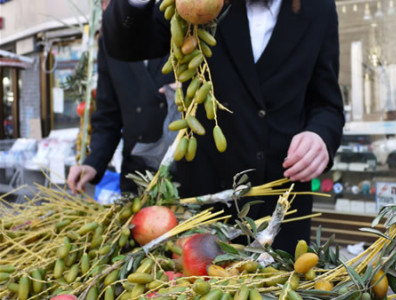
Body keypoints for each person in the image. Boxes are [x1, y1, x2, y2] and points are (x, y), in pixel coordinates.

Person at [102, 0, 345, 253]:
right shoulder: (198, 4)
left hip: (281, 209)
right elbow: (126, 44)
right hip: (207, 207)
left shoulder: (319, 8)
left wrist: (320, 136)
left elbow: (327, 104)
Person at [67, 0, 174, 194]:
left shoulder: (174, 22)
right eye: (105, 3)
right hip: (137, 177)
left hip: (186, 174)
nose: (111, 7)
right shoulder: (108, 42)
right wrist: (93, 162)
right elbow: (108, 115)